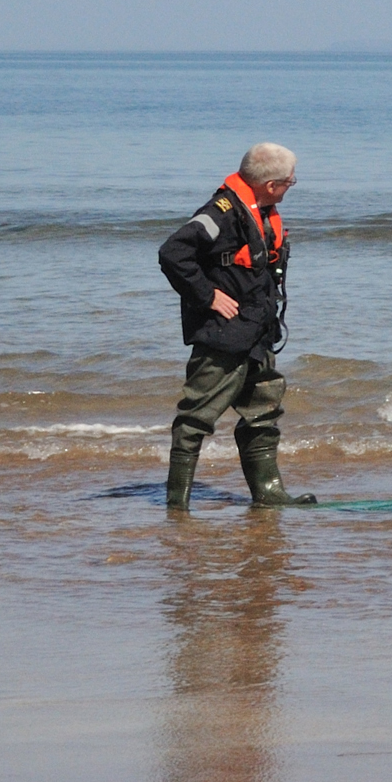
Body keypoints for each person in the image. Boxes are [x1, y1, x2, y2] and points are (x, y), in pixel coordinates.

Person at [157, 143, 313, 509]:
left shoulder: (261, 211)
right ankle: (177, 504)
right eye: (290, 182)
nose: (291, 187)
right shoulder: (221, 212)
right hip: (223, 336)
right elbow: (173, 253)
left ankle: (269, 494)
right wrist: (208, 296)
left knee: (264, 413)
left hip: (258, 333)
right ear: (271, 184)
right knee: (195, 418)